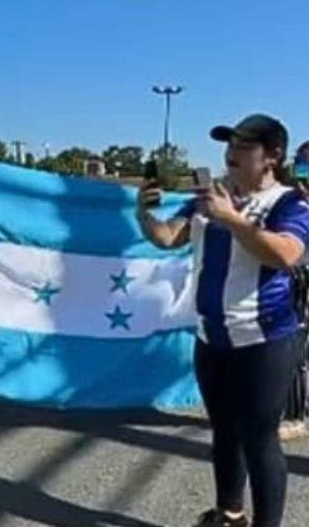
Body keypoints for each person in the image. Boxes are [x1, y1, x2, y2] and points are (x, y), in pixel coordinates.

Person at [137, 114, 309, 527]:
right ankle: (230, 514)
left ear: (272, 157)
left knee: (259, 440)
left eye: (244, 146)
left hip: (264, 340)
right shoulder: (208, 198)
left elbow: (285, 255)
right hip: (212, 337)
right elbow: (167, 237)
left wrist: (231, 218)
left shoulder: (289, 203)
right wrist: (143, 213)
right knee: (225, 432)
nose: (232, 153)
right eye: (229, 145)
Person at [279, 141, 309, 442]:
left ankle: (299, 416)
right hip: (293, 282)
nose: (303, 176)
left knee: (298, 352)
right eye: (301, 166)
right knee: (293, 349)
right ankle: (294, 412)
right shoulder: (287, 202)